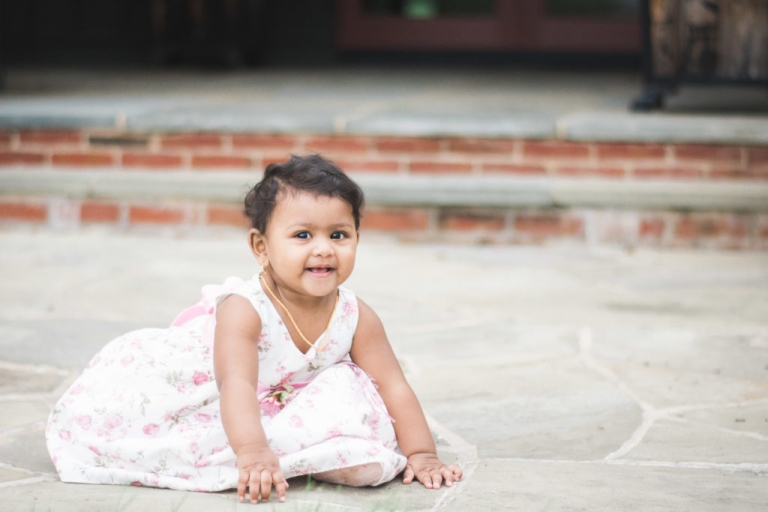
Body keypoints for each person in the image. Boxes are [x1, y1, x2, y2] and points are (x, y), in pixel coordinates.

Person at [46, 154, 462, 503]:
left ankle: (307, 452)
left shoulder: (355, 314)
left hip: (286, 397)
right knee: (151, 427)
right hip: (220, 392)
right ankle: (275, 450)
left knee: (356, 405)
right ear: (261, 247)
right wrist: (253, 453)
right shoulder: (245, 308)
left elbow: (393, 385)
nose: (323, 249)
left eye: (339, 235)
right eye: (303, 235)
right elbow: (236, 385)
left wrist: (422, 453)